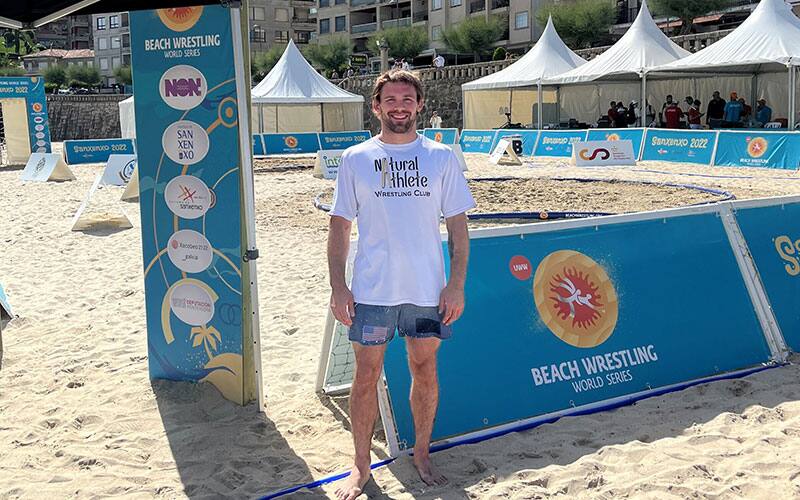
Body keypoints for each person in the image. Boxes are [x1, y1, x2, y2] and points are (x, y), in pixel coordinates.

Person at [328, 69, 475, 500]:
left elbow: (459, 229)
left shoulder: (441, 157)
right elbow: (339, 230)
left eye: (406, 99)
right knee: (366, 376)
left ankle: (422, 453)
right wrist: (339, 286)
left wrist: (456, 284)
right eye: (389, 100)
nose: (398, 107)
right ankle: (360, 466)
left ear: (420, 104)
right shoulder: (355, 159)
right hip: (372, 293)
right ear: (375, 106)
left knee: (425, 370)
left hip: (428, 292)